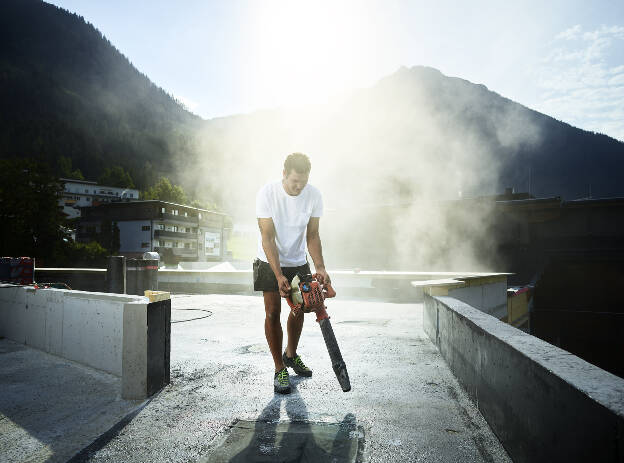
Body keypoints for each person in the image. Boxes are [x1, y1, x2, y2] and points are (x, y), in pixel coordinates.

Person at [254, 152, 330, 394]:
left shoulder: (314, 195)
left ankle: (290, 355)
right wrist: (278, 275)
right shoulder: (267, 193)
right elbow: (267, 237)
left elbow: (312, 235)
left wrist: (320, 267)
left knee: (300, 309)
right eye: (294, 181)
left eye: (303, 182)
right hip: (269, 260)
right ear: (284, 174)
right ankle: (279, 369)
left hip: (298, 260)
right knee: (273, 311)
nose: (298, 187)